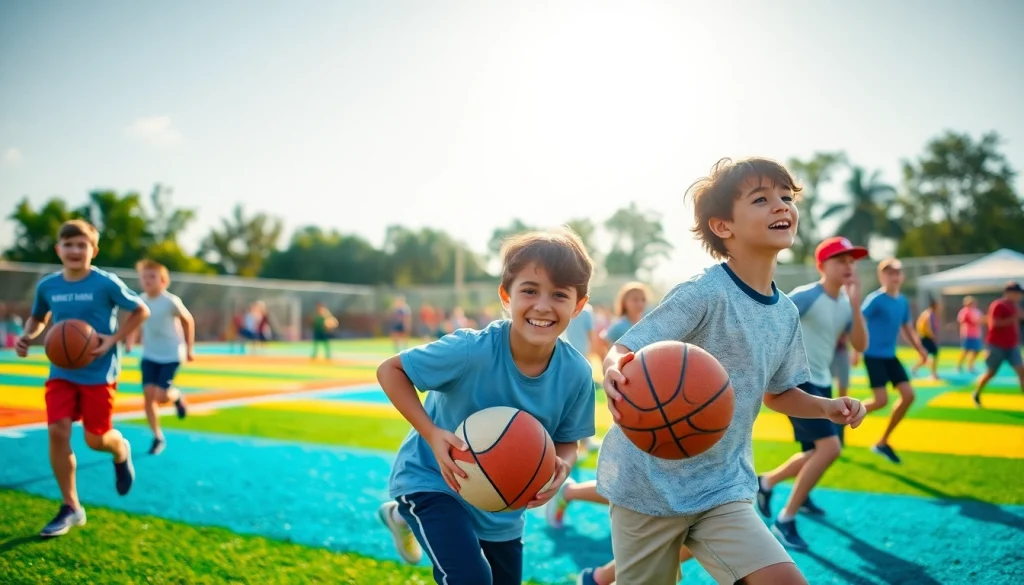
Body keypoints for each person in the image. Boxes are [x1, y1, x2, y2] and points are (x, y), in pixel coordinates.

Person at [598, 158, 866, 585]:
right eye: (761, 199)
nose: (780, 206)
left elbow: (778, 392)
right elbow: (625, 347)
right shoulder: (704, 293)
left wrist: (827, 406)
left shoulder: (785, 313)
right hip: (648, 484)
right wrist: (614, 367)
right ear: (724, 227)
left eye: (785, 197)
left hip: (723, 485)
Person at [375, 229, 597, 585]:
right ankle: (410, 513)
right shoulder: (471, 350)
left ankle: (403, 520)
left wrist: (562, 467)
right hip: (434, 480)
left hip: (503, 502)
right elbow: (391, 370)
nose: (542, 305)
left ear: (579, 305)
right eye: (529, 291)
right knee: (471, 579)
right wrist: (432, 434)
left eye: (559, 294)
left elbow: (568, 440)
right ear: (506, 296)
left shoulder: (576, 374)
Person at [14, 219, 150, 538]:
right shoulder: (48, 286)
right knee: (57, 430)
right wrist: (27, 334)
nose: (75, 250)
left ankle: (120, 450)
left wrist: (113, 339)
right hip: (61, 371)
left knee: (95, 439)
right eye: (69, 245)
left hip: (98, 372)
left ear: (94, 250)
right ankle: (71, 506)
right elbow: (38, 317)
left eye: (82, 245)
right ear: (58, 249)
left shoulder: (105, 283)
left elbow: (140, 310)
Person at [756, 236, 869, 550]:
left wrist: (856, 304)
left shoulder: (845, 303)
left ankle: (766, 482)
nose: (849, 266)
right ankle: (785, 520)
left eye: (852, 260)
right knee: (829, 448)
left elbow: (861, 344)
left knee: (814, 452)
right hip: (797, 382)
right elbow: (770, 321)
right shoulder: (806, 296)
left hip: (823, 382)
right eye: (840, 260)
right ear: (822, 266)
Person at [857, 258, 929, 464]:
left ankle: (882, 442)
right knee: (881, 401)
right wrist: (856, 348)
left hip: (890, 355)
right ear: (882, 277)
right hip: (873, 355)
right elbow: (859, 320)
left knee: (908, 396)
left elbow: (907, 328)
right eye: (890, 273)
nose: (894, 277)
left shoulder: (903, 301)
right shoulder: (875, 299)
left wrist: (920, 349)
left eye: (898, 273)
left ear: (902, 276)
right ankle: (842, 419)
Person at [128, 259, 195, 455]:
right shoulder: (140, 301)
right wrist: (131, 341)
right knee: (149, 396)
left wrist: (190, 349)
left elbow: (188, 321)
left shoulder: (171, 301)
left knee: (161, 396)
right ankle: (157, 437)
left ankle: (177, 397)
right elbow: (134, 322)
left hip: (171, 354)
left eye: (152, 276)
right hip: (150, 355)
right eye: (144, 277)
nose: (148, 280)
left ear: (163, 281)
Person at [972, 282, 1024, 406]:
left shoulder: (1014, 306)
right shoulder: (999, 305)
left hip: (1012, 345)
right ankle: (977, 392)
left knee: (1022, 371)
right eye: (1016, 293)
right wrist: (1013, 318)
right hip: (996, 345)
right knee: (991, 372)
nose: (1019, 296)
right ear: (1009, 293)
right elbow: (994, 323)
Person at [911, 298, 942, 380]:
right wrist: (932, 336)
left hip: (927, 338)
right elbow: (926, 327)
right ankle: (916, 369)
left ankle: (932, 373)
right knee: (925, 357)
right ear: (934, 305)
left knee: (932, 355)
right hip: (926, 338)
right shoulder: (927, 314)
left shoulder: (931, 314)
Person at [957, 296, 984, 374]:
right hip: (967, 334)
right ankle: (959, 365)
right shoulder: (964, 311)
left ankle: (970, 366)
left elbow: (981, 320)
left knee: (977, 350)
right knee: (965, 351)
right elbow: (961, 321)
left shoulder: (977, 311)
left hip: (976, 334)